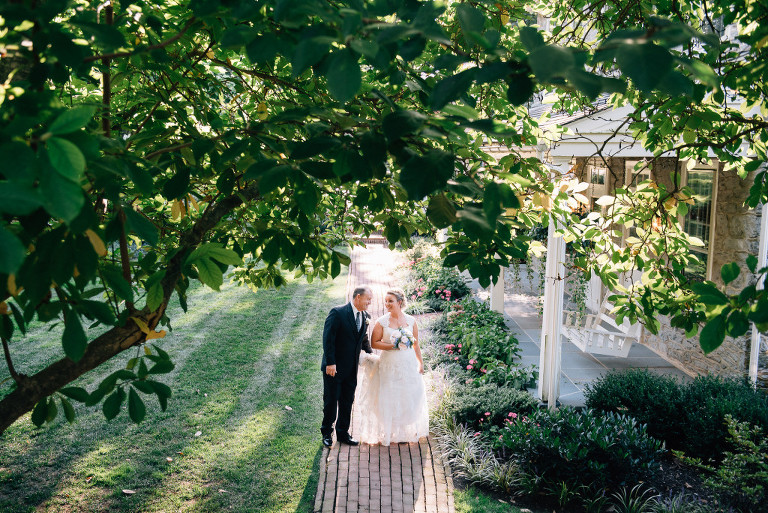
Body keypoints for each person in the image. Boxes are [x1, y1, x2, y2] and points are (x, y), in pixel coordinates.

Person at [356, 288, 429, 446]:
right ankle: (390, 431)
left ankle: (403, 432)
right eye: (386, 301)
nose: (387, 304)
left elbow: (416, 345)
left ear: (399, 302)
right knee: (389, 395)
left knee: (408, 395)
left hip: (408, 364)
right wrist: (393, 345)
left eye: (390, 301)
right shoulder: (382, 321)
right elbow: (375, 343)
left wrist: (420, 363)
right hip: (389, 364)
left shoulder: (411, 321)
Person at [321, 286, 373, 448]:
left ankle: (343, 433)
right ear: (358, 297)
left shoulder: (366, 316)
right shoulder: (338, 313)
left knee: (347, 401)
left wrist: (371, 354)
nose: (369, 303)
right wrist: (330, 362)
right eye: (368, 299)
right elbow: (328, 338)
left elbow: (362, 339)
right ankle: (327, 433)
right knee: (331, 401)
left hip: (351, 369)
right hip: (334, 368)